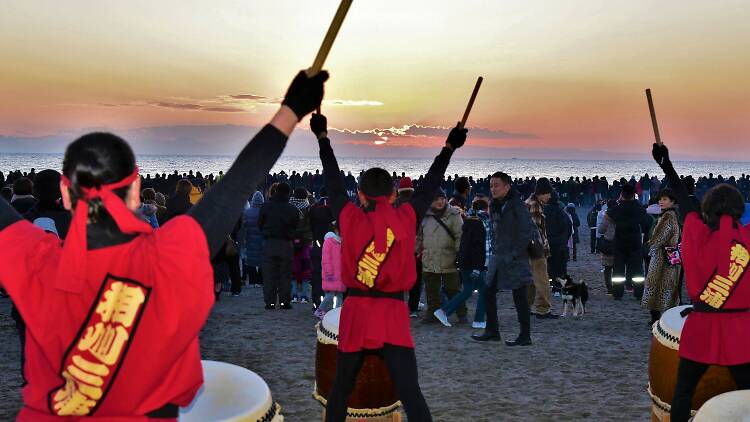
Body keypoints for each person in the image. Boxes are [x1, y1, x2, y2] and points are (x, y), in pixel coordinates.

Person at [0, 69, 328, 420]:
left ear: (66, 192)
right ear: (135, 192)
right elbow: (235, 186)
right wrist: (291, 109)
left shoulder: (32, 257)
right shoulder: (170, 254)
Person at [312, 111, 467, 422]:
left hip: (356, 313)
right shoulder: (406, 217)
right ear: (394, 194)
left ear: (360, 194)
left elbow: (332, 182)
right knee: (411, 393)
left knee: (340, 390)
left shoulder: (348, 215)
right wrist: (449, 148)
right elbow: (429, 185)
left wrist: (323, 139)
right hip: (392, 316)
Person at [651, 143, 750, 422]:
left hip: (702, 326)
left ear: (707, 210)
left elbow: (683, 198)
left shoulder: (694, 232)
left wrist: (666, 165)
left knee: (682, 394)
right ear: (740, 210)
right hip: (741, 330)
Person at [472, 172, 535, 346]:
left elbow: (526, 231)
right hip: (498, 255)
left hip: (516, 257)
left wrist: (514, 253)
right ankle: (492, 331)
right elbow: (494, 230)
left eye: (496, 185)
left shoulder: (517, 205)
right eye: (491, 185)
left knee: (519, 296)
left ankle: (525, 336)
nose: (493, 188)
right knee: (488, 291)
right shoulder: (494, 204)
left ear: (507, 186)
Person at [433, 196, 487, 328]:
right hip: (473, 264)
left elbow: (467, 245)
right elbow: (478, 247)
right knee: (484, 289)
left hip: (465, 262)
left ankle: (443, 311)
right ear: (486, 209)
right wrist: (478, 266)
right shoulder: (480, 223)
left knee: (468, 290)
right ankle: (479, 320)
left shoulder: (468, 222)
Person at [417, 189, 464, 324]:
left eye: (442, 198)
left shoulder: (454, 214)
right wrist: (416, 250)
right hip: (429, 257)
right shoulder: (425, 215)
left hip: (449, 257)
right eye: (436, 199)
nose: (440, 201)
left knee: (452, 288)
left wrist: (459, 254)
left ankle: (462, 313)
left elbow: (460, 236)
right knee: (431, 288)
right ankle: (432, 313)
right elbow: (419, 236)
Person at [642, 189, 681, 325]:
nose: (661, 202)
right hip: (669, 256)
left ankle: (656, 318)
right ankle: (665, 318)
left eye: (665, 199)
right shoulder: (672, 215)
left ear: (672, 201)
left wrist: (649, 245)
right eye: (660, 199)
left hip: (661, 257)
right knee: (668, 287)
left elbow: (659, 238)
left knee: (657, 287)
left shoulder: (667, 217)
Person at [259, 182, 299, 310]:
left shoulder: (266, 206)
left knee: (269, 274)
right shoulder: (292, 209)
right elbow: (296, 226)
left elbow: (260, 224)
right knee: (285, 274)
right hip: (286, 244)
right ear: (288, 192)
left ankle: (270, 302)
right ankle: (284, 302)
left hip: (269, 243)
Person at [607, 183, 650, 300]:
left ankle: (618, 293)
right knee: (637, 270)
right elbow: (646, 224)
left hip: (619, 242)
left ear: (622, 194)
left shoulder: (615, 210)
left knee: (618, 270)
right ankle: (639, 293)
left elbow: (609, 217)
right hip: (635, 242)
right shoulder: (640, 209)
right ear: (634, 195)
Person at [526, 183, 558, 319]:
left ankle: (525, 307)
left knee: (530, 281)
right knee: (543, 280)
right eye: (549, 194)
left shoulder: (528, 202)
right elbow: (536, 231)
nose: (550, 197)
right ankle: (543, 309)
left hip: (527, 248)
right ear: (543, 193)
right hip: (536, 248)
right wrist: (542, 248)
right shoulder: (535, 205)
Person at [290, 187, 313, 303]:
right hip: (305, 243)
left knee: (293, 271)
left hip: (291, 242)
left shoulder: (289, 207)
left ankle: (293, 295)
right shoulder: (308, 208)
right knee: (305, 271)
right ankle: (304, 296)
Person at [316, 221, 344, 319]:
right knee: (330, 296)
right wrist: (328, 272)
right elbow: (326, 258)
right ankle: (320, 310)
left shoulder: (342, 241)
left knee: (339, 295)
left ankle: (337, 314)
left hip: (340, 273)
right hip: (331, 273)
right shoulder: (329, 240)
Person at [240, 191, 265, 288]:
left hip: (250, 239)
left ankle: (252, 280)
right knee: (262, 260)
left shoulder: (247, 211)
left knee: (250, 260)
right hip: (262, 239)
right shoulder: (264, 211)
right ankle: (260, 280)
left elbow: (244, 226)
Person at [597, 199, 618, 295]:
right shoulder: (620, 215)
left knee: (607, 268)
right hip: (619, 243)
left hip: (608, 243)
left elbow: (601, 230)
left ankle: (610, 289)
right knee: (618, 268)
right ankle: (618, 287)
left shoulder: (607, 216)